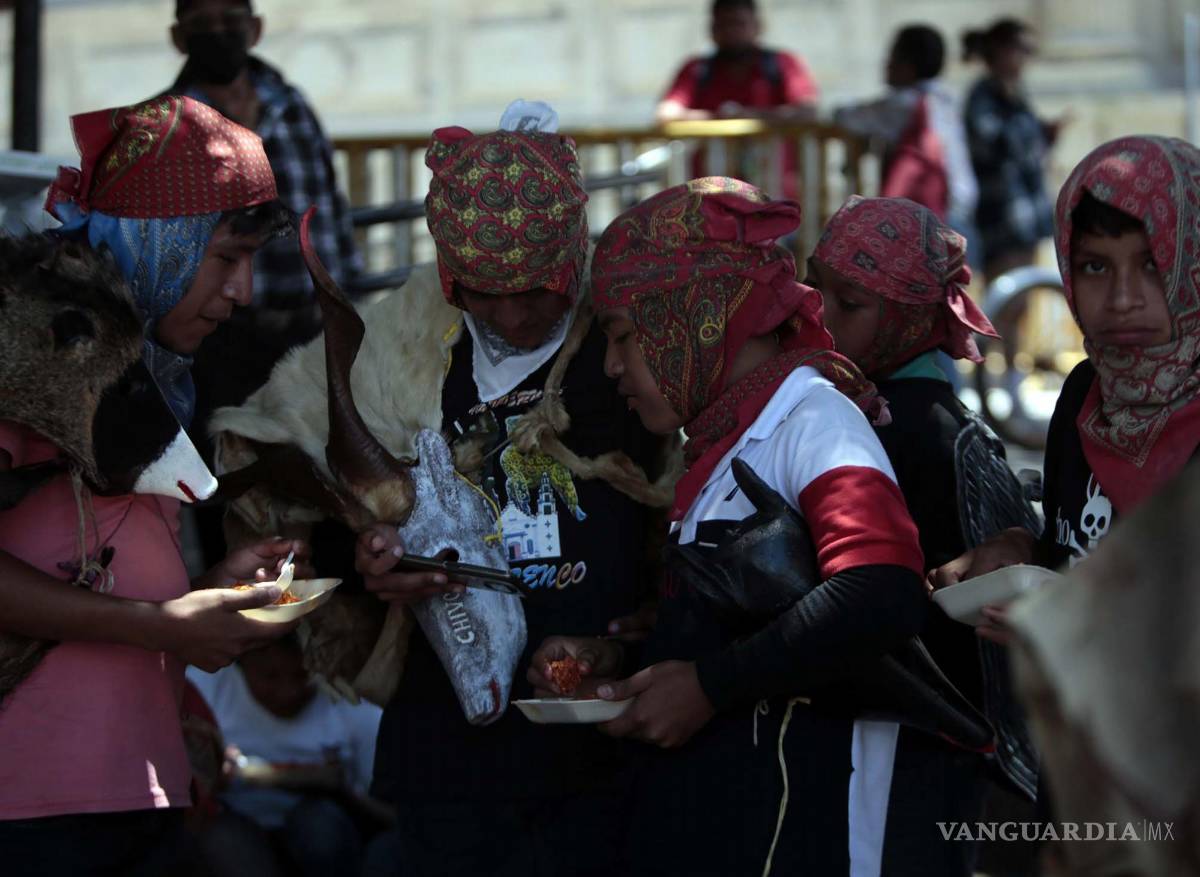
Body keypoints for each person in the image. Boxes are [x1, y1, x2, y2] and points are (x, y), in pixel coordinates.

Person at [269, 102, 667, 877]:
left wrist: (635, 635)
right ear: (450, 276)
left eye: (536, 290)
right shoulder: (405, 358)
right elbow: (322, 516)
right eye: (485, 292)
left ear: (572, 258)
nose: (512, 316)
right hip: (449, 759)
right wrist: (371, 560)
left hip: (603, 755)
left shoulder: (628, 355)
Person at [531, 178, 934, 875]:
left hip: (804, 833)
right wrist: (622, 660)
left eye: (623, 335)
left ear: (695, 315)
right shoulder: (727, 440)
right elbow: (752, 624)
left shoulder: (813, 420)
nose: (612, 365)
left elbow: (882, 591)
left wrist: (708, 685)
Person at [0, 96, 312, 877]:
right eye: (225, 257)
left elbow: (106, 575)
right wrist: (161, 622)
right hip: (31, 808)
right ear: (158, 239)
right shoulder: (27, 354)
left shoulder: (154, 377)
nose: (243, 290)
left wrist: (205, 598)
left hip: (141, 791)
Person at [809, 195, 1033, 875]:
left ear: (907, 316)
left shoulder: (896, 429)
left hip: (914, 743)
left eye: (849, 303)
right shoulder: (901, 408)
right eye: (815, 289)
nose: (820, 316)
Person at [931, 135, 1200, 635]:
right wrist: (1025, 549)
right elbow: (1076, 553)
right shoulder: (1085, 394)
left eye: (1152, 263)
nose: (1122, 299)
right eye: (1095, 266)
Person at [187, 634, 385, 877]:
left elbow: (390, 814)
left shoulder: (353, 704)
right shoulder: (205, 688)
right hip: (237, 821)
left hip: (327, 832)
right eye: (270, 676)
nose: (288, 692)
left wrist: (344, 789)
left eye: (302, 675)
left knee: (318, 826)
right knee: (220, 838)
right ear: (241, 664)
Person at [658, 0, 819, 197]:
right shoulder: (697, 69)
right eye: (723, 24)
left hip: (772, 189)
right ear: (712, 29)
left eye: (738, 23)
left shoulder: (782, 64)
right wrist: (718, 117)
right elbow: (666, 113)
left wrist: (750, 116)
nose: (731, 31)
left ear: (757, 26)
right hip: (711, 194)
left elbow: (807, 110)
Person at [833, 26, 978, 230]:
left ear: (908, 65)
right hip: (961, 208)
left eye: (893, 56)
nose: (887, 64)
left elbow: (846, 116)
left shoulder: (902, 105)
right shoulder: (946, 98)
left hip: (931, 213)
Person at [961, 18, 1061, 282]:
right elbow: (995, 143)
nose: (1026, 60)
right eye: (1022, 50)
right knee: (1008, 294)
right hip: (1001, 218)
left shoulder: (1015, 94)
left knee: (1024, 293)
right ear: (1002, 50)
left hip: (1025, 215)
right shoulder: (983, 96)